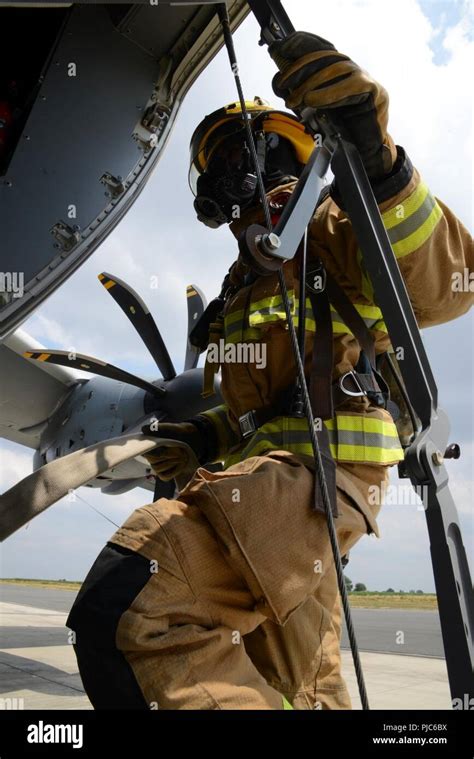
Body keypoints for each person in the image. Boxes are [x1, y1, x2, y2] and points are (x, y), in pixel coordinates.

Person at [67, 33, 472, 710]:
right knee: (299, 686)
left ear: (281, 151)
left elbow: (447, 286)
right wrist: (204, 437)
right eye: (215, 170)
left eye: (238, 156)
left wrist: (379, 165)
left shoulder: (331, 225)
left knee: (136, 601)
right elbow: (252, 410)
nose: (229, 178)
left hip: (320, 476)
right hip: (272, 490)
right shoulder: (239, 290)